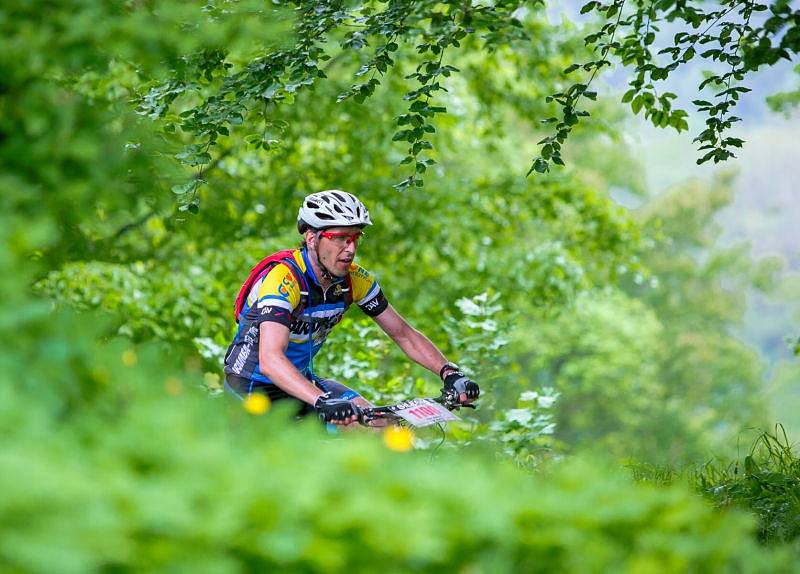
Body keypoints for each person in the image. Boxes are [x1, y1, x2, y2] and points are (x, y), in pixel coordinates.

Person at [223, 190, 479, 425]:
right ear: (312, 238)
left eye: (356, 238)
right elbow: (270, 359)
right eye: (341, 238)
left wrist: (449, 373)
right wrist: (322, 401)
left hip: (300, 382)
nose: (351, 249)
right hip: (252, 385)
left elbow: (403, 334)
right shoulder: (284, 279)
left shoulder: (354, 280)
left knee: (379, 427)